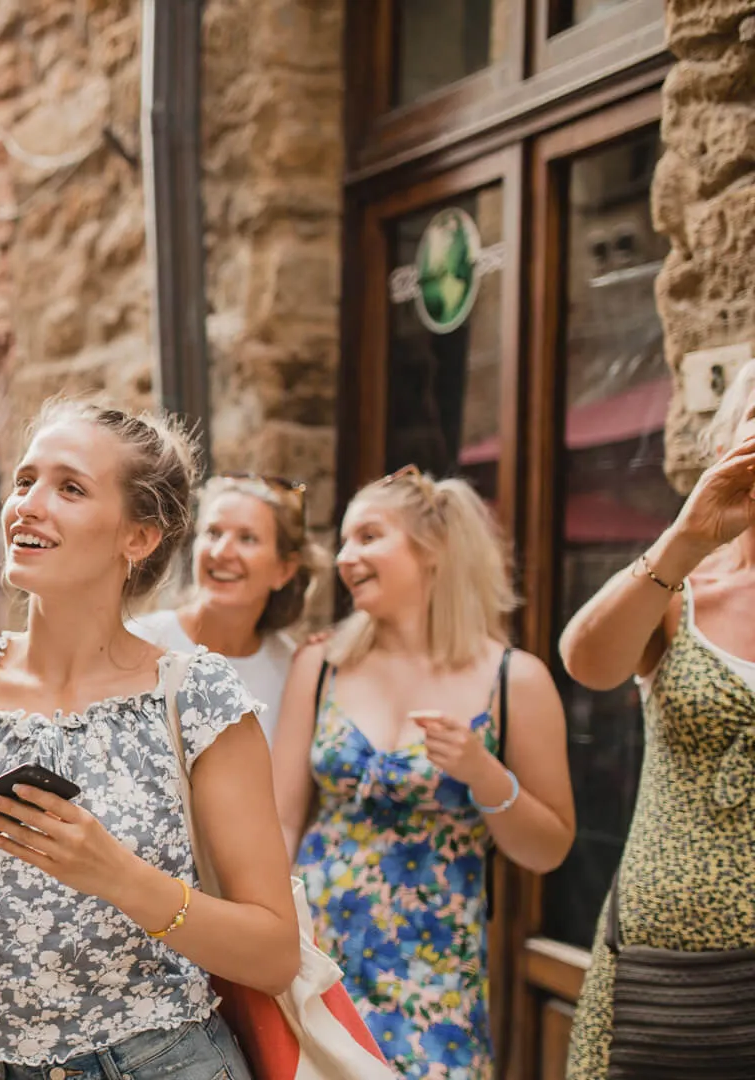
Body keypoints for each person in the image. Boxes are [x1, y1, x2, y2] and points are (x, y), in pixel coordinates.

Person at [0, 401, 296, 1080]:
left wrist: (119, 878)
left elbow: (274, 952)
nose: (28, 506)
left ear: (139, 537)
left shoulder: (198, 697)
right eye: (24, 481)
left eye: (69, 488)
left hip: (165, 1063)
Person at [272, 466, 576, 1078]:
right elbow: (279, 821)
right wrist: (271, 946)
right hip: (318, 961)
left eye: (369, 537)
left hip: (433, 974)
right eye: (345, 540)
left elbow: (548, 848)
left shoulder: (514, 679)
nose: (345, 557)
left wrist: (483, 773)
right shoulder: (321, 662)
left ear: (433, 551)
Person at [556, 362, 755, 1078]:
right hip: (660, 976)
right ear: (731, 439)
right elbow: (587, 662)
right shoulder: (682, 590)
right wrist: (686, 538)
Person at [130, 473, 320, 742]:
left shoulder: (290, 670)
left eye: (247, 539)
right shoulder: (140, 640)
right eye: (213, 533)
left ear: (284, 569)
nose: (221, 552)